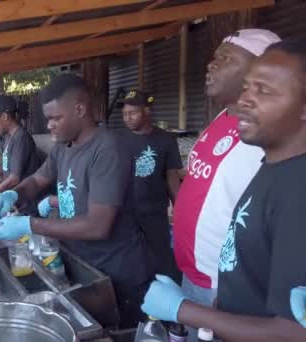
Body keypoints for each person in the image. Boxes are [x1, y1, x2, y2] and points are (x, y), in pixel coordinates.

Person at [142, 39, 306, 342]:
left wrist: (183, 310)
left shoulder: (299, 192)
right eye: (247, 87)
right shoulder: (271, 167)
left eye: (264, 90)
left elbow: (295, 332)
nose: (245, 100)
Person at [0, 74, 153, 327]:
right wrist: (11, 194)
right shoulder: (64, 148)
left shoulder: (108, 148)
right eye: (48, 119)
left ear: (80, 109)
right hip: (86, 265)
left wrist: (29, 224)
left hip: (119, 273)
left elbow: (98, 226)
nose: (50, 125)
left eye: (56, 118)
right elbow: (36, 180)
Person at [170, 28, 280, 340]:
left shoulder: (270, 133)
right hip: (192, 276)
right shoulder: (222, 117)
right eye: (214, 56)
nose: (211, 64)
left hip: (225, 289)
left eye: (226, 58)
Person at [117, 89, 182, 281]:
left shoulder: (166, 140)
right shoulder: (118, 140)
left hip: (154, 212)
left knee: (160, 259)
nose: (127, 118)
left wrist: (179, 207)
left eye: (132, 113)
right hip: (125, 211)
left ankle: (164, 298)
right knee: (129, 259)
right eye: (124, 114)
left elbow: (171, 176)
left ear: (147, 111)